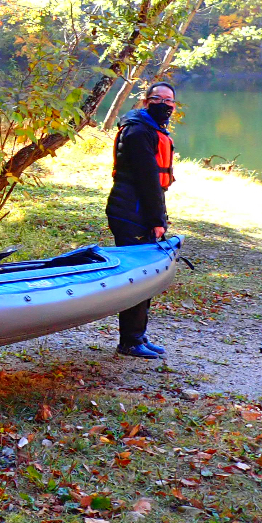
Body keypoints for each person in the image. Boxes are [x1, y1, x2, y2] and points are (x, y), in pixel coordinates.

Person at [105, 80, 177, 360]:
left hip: (139, 208)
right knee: (138, 275)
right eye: (159, 99)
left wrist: (158, 216)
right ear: (147, 101)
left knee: (145, 274)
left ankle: (138, 335)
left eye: (170, 100)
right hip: (130, 211)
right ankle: (130, 341)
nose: (166, 105)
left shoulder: (150, 128)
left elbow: (155, 185)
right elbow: (148, 182)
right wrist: (156, 220)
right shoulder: (137, 132)